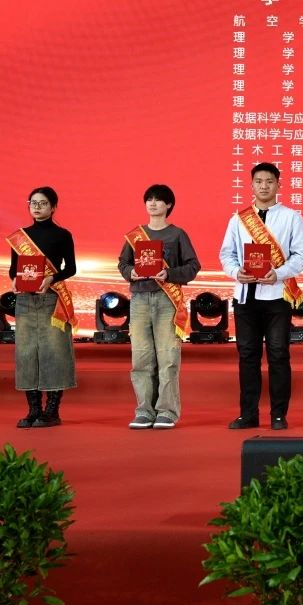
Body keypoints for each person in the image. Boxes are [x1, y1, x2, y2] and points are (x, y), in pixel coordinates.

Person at [218, 162, 303, 430]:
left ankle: (278, 414)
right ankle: (248, 414)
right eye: (259, 181)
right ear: (251, 185)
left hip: (278, 296)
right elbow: (227, 254)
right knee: (248, 355)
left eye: (269, 181)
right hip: (246, 297)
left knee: (278, 354)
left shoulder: (292, 217)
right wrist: (236, 272)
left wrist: (278, 273)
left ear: (278, 185)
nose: (264, 186)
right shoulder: (238, 219)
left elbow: (300, 255)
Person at [117, 184, 201, 429]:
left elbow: (193, 266)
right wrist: (131, 272)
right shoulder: (136, 235)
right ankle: (144, 411)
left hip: (167, 300)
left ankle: (167, 411)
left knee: (168, 356)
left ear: (169, 205)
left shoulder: (177, 234)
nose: (153, 204)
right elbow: (123, 263)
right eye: (149, 200)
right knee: (141, 357)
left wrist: (169, 273)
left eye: (158, 200)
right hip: (140, 300)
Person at [7, 186, 77, 428]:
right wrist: (14, 280)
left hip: (51, 300)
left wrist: (51, 279)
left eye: (43, 203)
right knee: (27, 354)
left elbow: (71, 268)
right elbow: (13, 268)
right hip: (26, 301)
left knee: (54, 353)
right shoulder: (20, 237)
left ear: (53, 207)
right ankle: (33, 410)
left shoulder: (62, 235)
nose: (37, 207)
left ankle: (52, 411)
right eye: (33, 203)